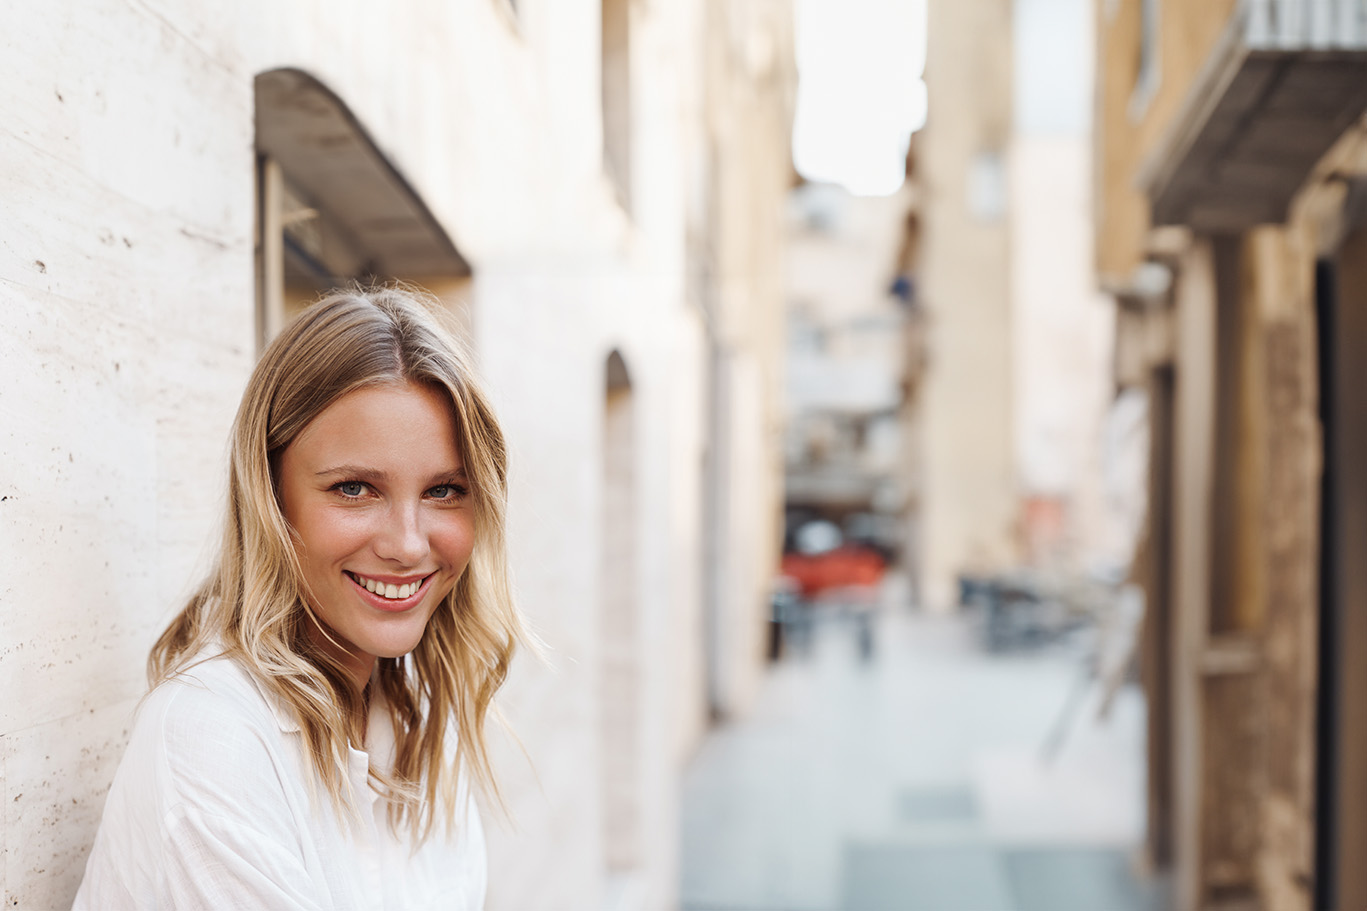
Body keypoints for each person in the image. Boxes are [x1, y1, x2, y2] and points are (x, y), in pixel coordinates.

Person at [73, 285, 530, 909]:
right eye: (353, 489)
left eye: (445, 490)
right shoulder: (214, 737)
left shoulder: (417, 719)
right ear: (270, 495)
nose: (407, 544)